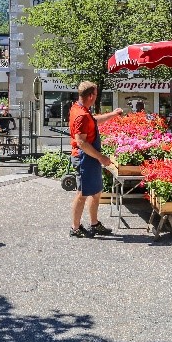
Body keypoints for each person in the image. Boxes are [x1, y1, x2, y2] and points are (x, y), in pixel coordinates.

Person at [69, 81, 123, 238]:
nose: (96, 97)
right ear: (91, 96)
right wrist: (101, 157)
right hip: (85, 157)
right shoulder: (81, 115)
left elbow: (93, 121)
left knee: (96, 191)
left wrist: (112, 114)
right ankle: (75, 227)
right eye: (96, 94)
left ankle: (94, 224)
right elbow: (81, 142)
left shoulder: (79, 108)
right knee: (82, 193)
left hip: (89, 157)